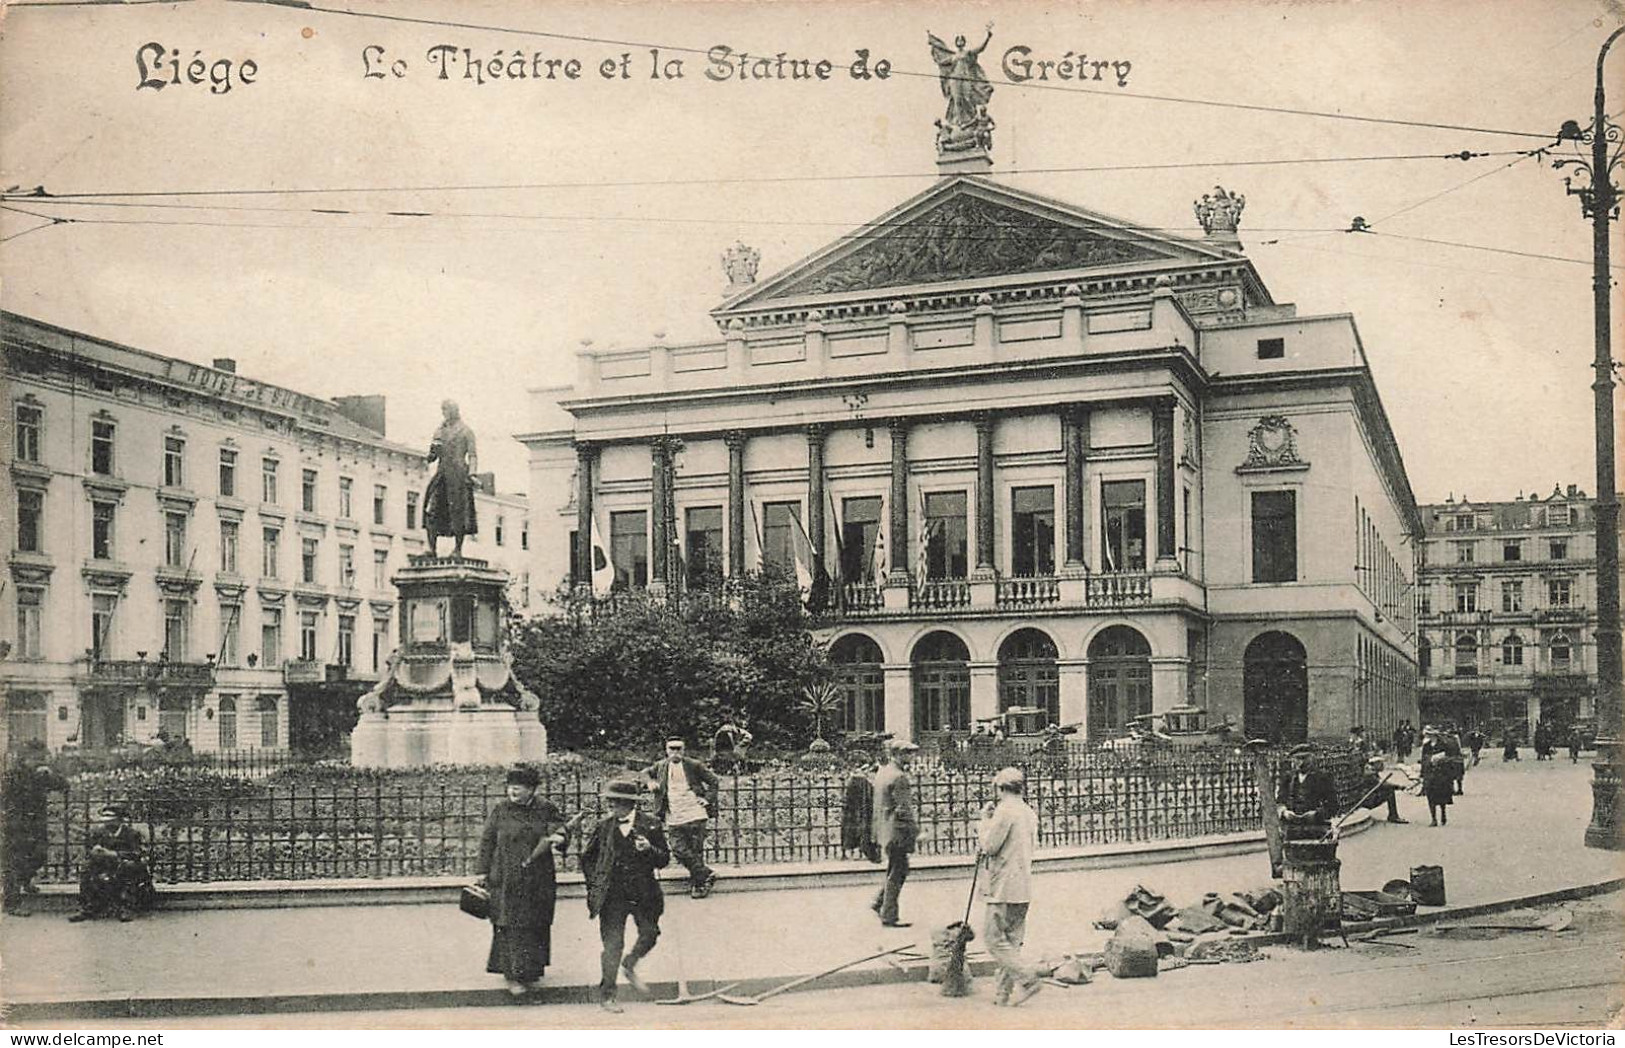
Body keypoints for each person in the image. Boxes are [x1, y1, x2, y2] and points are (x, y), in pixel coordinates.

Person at [475, 766, 571, 997]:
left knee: (536, 922)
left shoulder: (545, 808)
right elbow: (487, 841)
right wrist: (481, 872)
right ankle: (512, 975)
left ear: (531, 789)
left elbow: (561, 830)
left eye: (519, 787)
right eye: (510, 786)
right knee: (508, 923)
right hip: (506, 877)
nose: (513, 791)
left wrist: (560, 837)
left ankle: (531, 970)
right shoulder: (501, 810)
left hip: (538, 878)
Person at [581, 777, 670, 1014]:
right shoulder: (603, 827)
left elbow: (664, 859)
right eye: (610, 803)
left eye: (617, 803)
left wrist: (649, 849)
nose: (612, 807)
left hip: (644, 893)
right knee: (612, 945)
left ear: (631, 804)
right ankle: (607, 995)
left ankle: (630, 964)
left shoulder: (651, 825)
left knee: (650, 934)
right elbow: (587, 858)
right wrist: (595, 884)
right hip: (612, 896)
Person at [976, 767, 1044, 1008]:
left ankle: (1027, 979)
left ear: (1000, 788)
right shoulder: (1028, 811)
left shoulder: (1005, 811)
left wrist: (984, 822)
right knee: (1012, 941)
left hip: (1003, 885)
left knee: (993, 939)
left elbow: (989, 846)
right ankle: (1002, 994)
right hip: (1023, 884)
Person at [644, 738, 720, 899]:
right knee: (678, 849)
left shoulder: (694, 765)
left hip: (695, 813)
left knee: (695, 850)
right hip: (674, 814)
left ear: (684, 750)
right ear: (666, 750)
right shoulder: (661, 766)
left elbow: (714, 781)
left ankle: (699, 886)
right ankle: (706, 873)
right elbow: (645, 773)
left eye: (679, 749)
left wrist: (707, 799)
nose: (675, 752)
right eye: (672, 749)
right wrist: (650, 782)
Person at [2, 742, 68, 917]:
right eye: (36, 759)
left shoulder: (42, 775)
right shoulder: (12, 776)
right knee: (14, 863)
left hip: (36, 823)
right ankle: (12, 904)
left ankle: (25, 881)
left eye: (41, 758)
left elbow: (64, 785)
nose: (39, 762)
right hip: (16, 825)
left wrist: (50, 774)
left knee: (40, 854)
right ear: (25, 759)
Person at [70, 804, 154, 922]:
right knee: (87, 868)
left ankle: (125, 907)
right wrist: (95, 852)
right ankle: (88, 906)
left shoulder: (132, 834)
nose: (108, 824)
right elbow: (90, 850)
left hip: (126, 863)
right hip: (105, 863)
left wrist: (114, 854)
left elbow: (137, 854)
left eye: (111, 821)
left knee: (128, 867)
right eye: (106, 821)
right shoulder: (98, 833)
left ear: (119, 820)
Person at [869, 739, 919, 928]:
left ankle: (879, 903)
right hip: (897, 830)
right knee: (899, 870)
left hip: (885, 828)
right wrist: (915, 830)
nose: (911, 757)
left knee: (896, 867)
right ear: (897, 754)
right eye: (908, 753)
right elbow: (903, 808)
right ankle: (888, 914)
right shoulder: (899, 777)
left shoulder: (883, 773)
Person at [423, 399, 478, 557]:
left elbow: (473, 455)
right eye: (443, 411)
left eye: (446, 410)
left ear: (454, 411)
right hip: (442, 473)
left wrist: (472, 473)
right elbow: (433, 454)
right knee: (430, 510)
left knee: (457, 512)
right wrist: (430, 455)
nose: (444, 414)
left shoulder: (466, 431)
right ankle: (432, 549)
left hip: (459, 474)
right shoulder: (439, 430)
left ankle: (457, 549)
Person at [1276, 744, 1339, 841]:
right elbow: (1280, 801)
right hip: (1292, 829)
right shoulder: (1288, 778)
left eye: (1304, 758)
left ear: (1312, 759)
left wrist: (1316, 814)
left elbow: (1333, 805)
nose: (1301, 763)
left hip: (1316, 829)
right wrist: (1284, 812)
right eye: (1297, 759)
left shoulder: (1323, 777)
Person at [1419, 726, 1461, 827]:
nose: (1429, 736)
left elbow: (1451, 757)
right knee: (1430, 795)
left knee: (1441, 796)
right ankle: (1433, 819)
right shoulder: (1426, 746)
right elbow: (1423, 759)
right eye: (1428, 734)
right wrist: (1423, 772)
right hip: (1430, 774)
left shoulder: (1444, 744)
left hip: (1441, 774)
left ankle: (1443, 814)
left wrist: (1441, 760)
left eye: (1431, 734)